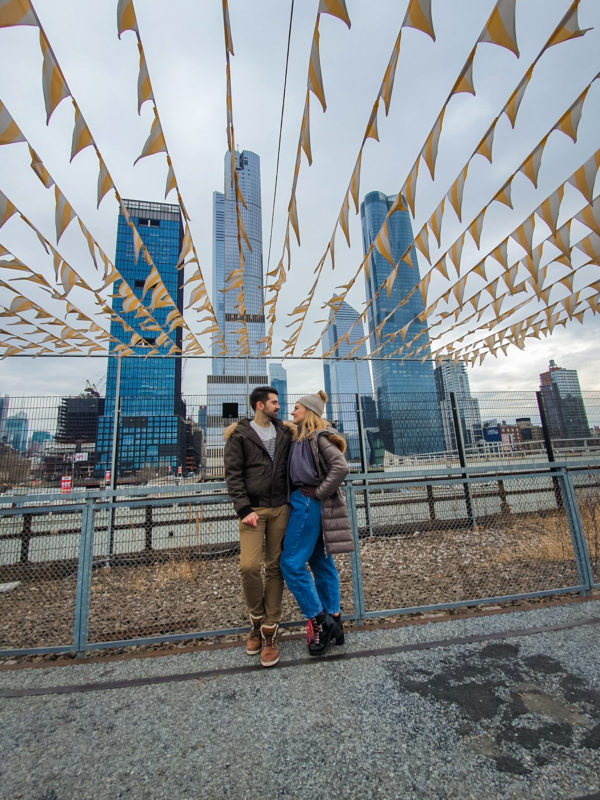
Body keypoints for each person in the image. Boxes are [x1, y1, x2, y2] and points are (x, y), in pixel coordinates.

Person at [223, 385, 295, 668]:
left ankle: (269, 632)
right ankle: (255, 619)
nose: (278, 406)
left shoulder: (286, 433)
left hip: (281, 509)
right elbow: (233, 474)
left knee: (276, 566)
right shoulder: (240, 435)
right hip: (252, 511)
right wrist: (243, 509)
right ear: (259, 405)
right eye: (274, 403)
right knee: (249, 567)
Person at [280, 390, 354, 657]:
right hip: (307, 502)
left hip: (308, 502)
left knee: (290, 563)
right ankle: (335, 619)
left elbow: (341, 467)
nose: (292, 412)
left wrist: (320, 492)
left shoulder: (318, 438)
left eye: (297, 408)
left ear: (308, 412)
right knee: (321, 563)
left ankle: (321, 620)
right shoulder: (300, 436)